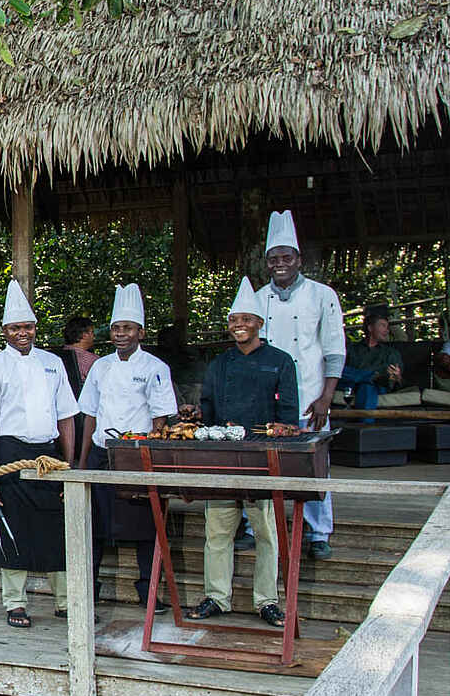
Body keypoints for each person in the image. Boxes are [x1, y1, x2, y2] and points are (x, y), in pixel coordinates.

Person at [186, 279, 301, 628]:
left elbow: (290, 413)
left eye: (245, 320)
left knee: (267, 533)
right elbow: (207, 407)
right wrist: (195, 415)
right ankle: (217, 597)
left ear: (259, 324)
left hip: (263, 458)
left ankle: (267, 601)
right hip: (223, 457)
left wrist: (285, 431)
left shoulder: (281, 361)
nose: (238, 326)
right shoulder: (220, 363)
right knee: (217, 533)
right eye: (234, 320)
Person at [0, 280, 79, 629]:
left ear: (36, 328)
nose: (23, 333)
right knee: (12, 528)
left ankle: (66, 602)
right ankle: (15, 603)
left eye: (28, 326)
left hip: (48, 457)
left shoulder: (53, 364)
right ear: (4, 331)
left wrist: (71, 466)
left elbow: (66, 416)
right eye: (16, 327)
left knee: (57, 528)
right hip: (10, 454)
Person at [75, 284, 177, 611]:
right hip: (100, 455)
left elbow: (161, 419)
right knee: (94, 526)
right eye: (117, 328)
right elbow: (89, 415)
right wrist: (81, 462)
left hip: (137, 457)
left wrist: (151, 456)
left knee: (147, 526)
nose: (121, 334)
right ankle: (89, 590)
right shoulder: (100, 367)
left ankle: (149, 592)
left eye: (128, 329)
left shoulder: (155, 369)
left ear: (141, 332)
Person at [259, 210, 346, 560]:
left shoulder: (322, 295)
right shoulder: (257, 297)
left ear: (298, 259)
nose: (280, 264)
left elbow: (334, 350)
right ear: (267, 263)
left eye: (286, 257)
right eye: (273, 258)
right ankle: (258, 528)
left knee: (313, 464)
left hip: (311, 394)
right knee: (266, 463)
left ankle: (318, 532)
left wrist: (326, 396)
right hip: (270, 398)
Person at [342, 304, 406, 409]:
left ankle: (370, 378)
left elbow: (396, 382)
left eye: (387, 327)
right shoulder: (351, 349)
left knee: (367, 386)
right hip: (350, 385)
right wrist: (371, 376)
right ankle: (371, 376)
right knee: (338, 369)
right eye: (382, 325)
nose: (387, 330)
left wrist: (397, 376)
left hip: (376, 386)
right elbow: (340, 372)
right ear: (370, 328)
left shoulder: (391, 353)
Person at [60, 314, 98, 392]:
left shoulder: (58, 356)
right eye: (92, 332)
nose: (94, 336)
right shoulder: (92, 360)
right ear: (84, 335)